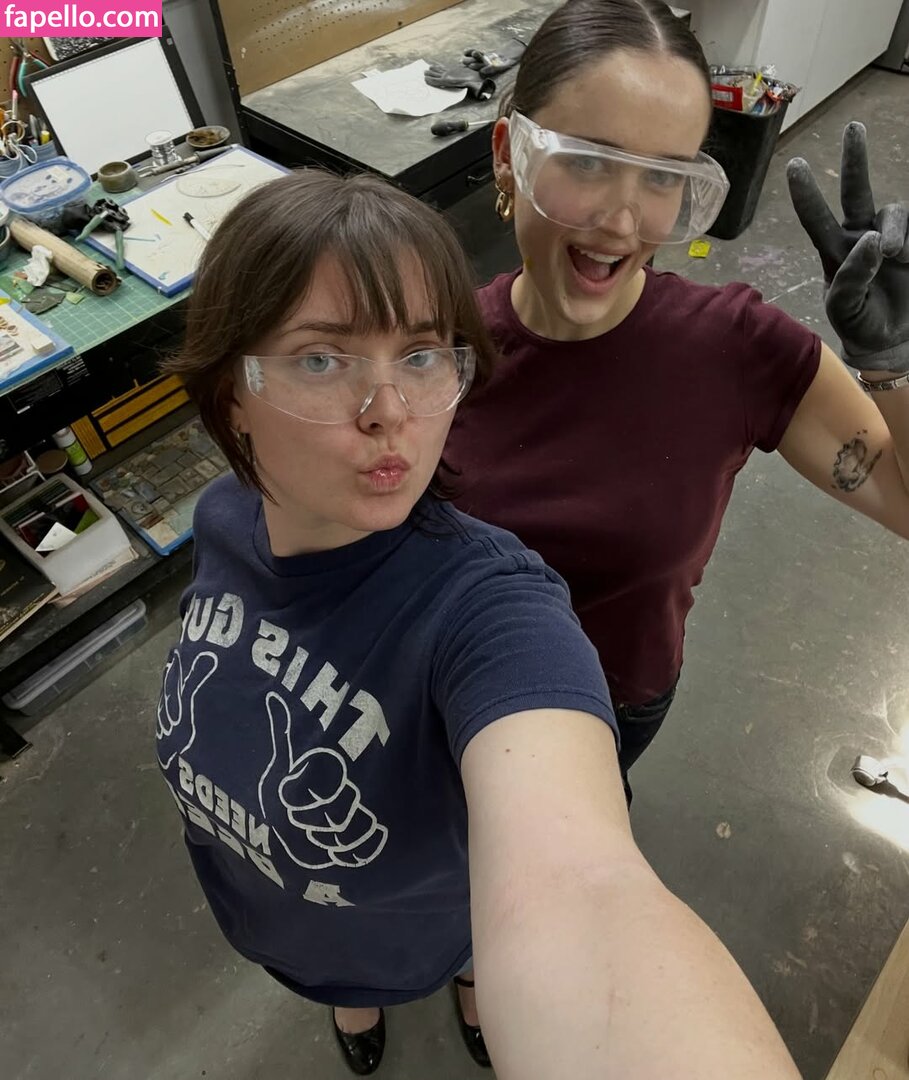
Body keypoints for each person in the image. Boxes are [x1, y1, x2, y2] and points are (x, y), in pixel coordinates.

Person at [155, 167, 801, 1078]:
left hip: (429, 929)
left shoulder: (487, 609)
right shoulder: (224, 516)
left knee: (472, 955)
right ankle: (353, 996)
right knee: (342, 979)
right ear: (232, 394)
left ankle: (465, 979)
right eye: (323, 360)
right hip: (280, 925)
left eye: (422, 355)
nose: (390, 414)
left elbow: (583, 890)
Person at [447, 0, 909, 797]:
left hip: (613, 705)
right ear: (507, 155)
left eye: (663, 176)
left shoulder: (735, 348)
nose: (622, 219)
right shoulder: (436, 352)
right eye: (588, 160)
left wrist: (894, 367)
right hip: (451, 686)